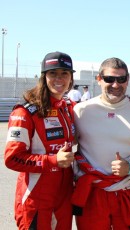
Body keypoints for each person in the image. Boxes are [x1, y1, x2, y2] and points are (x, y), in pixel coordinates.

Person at [71, 57, 130, 230]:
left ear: (128, 80)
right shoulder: (81, 110)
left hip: (128, 191)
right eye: (109, 79)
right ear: (99, 79)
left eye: (121, 79)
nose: (115, 84)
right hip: (92, 194)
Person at [4, 51, 76, 229]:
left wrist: (127, 101)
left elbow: (98, 107)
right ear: (44, 77)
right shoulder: (24, 113)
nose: (59, 79)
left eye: (64, 73)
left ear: (71, 79)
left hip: (64, 199)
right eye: (53, 73)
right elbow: (12, 158)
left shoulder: (68, 108)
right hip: (36, 201)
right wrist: (53, 161)